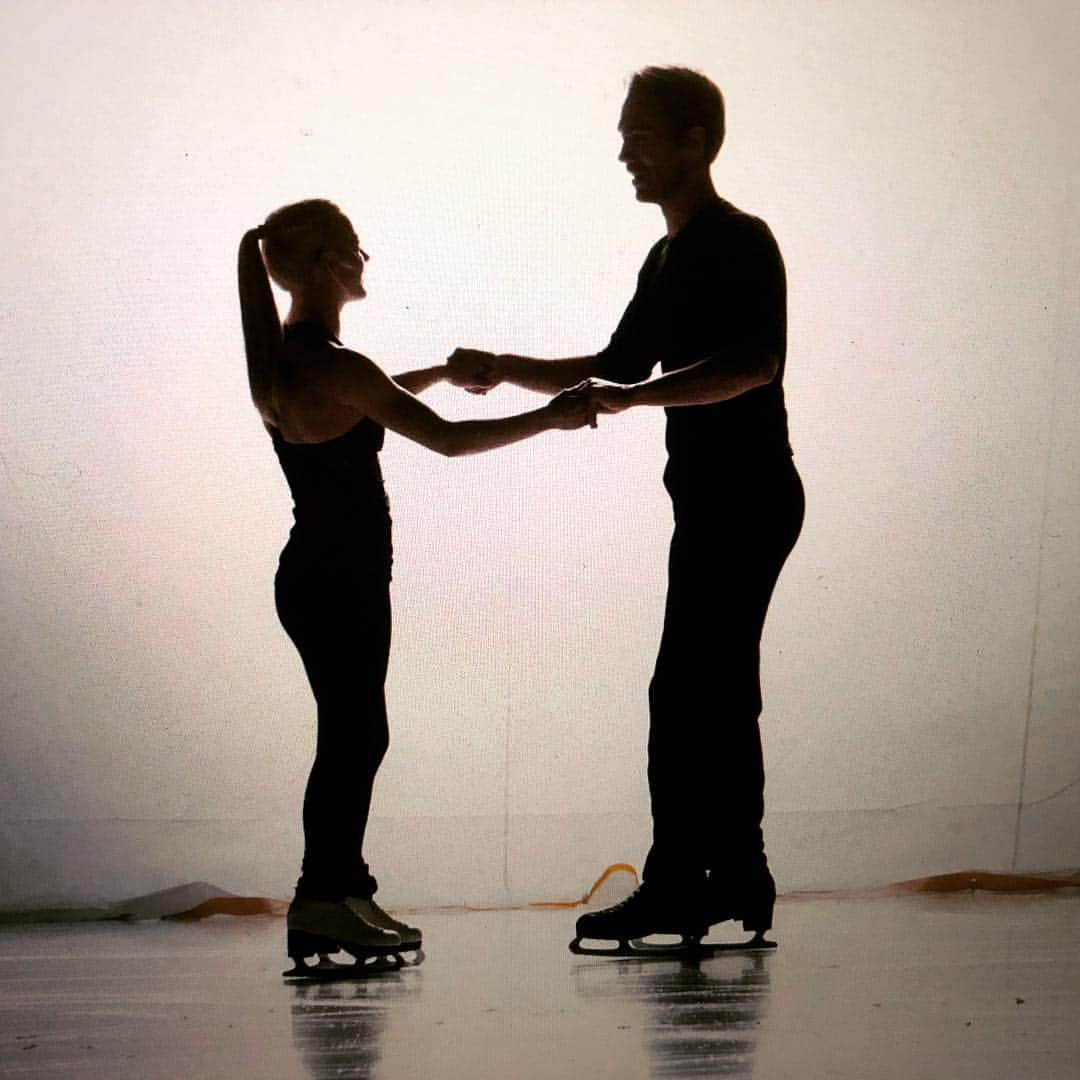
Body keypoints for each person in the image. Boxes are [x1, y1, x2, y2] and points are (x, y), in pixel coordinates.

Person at [448, 67, 805, 950]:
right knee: (709, 691)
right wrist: (504, 365)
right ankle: (734, 878)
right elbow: (615, 363)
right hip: (713, 504)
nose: (623, 153)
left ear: (697, 141)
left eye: (640, 135)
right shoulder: (667, 256)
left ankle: (692, 882)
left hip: (751, 499)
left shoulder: (741, 241)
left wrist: (636, 401)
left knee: (691, 691)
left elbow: (754, 365)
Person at [237, 198, 592, 974]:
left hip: (316, 575)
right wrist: (552, 416)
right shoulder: (334, 365)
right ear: (332, 262)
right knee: (353, 735)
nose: (367, 260)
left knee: (355, 733)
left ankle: (340, 890)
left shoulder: (295, 360)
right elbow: (447, 439)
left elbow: (367, 399)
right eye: (358, 249)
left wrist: (439, 369)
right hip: (344, 578)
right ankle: (323, 899)